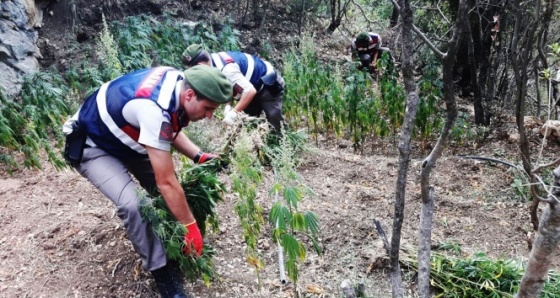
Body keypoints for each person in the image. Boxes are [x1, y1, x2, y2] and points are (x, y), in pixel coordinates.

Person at [62, 65, 232, 298]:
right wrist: (190, 226)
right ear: (190, 95)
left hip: (128, 137)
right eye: (208, 108)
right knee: (136, 205)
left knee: (166, 198)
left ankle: (173, 243)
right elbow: (167, 182)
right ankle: (163, 274)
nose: (211, 115)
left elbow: (169, 127)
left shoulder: (178, 84)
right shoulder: (154, 109)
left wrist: (197, 155)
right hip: (94, 144)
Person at [182, 44, 285, 132]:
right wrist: (228, 106)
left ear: (201, 65)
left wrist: (233, 113)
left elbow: (249, 91)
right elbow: (230, 85)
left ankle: (283, 142)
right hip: (249, 88)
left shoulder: (227, 69)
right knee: (245, 124)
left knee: (275, 122)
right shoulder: (212, 64)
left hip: (267, 84)